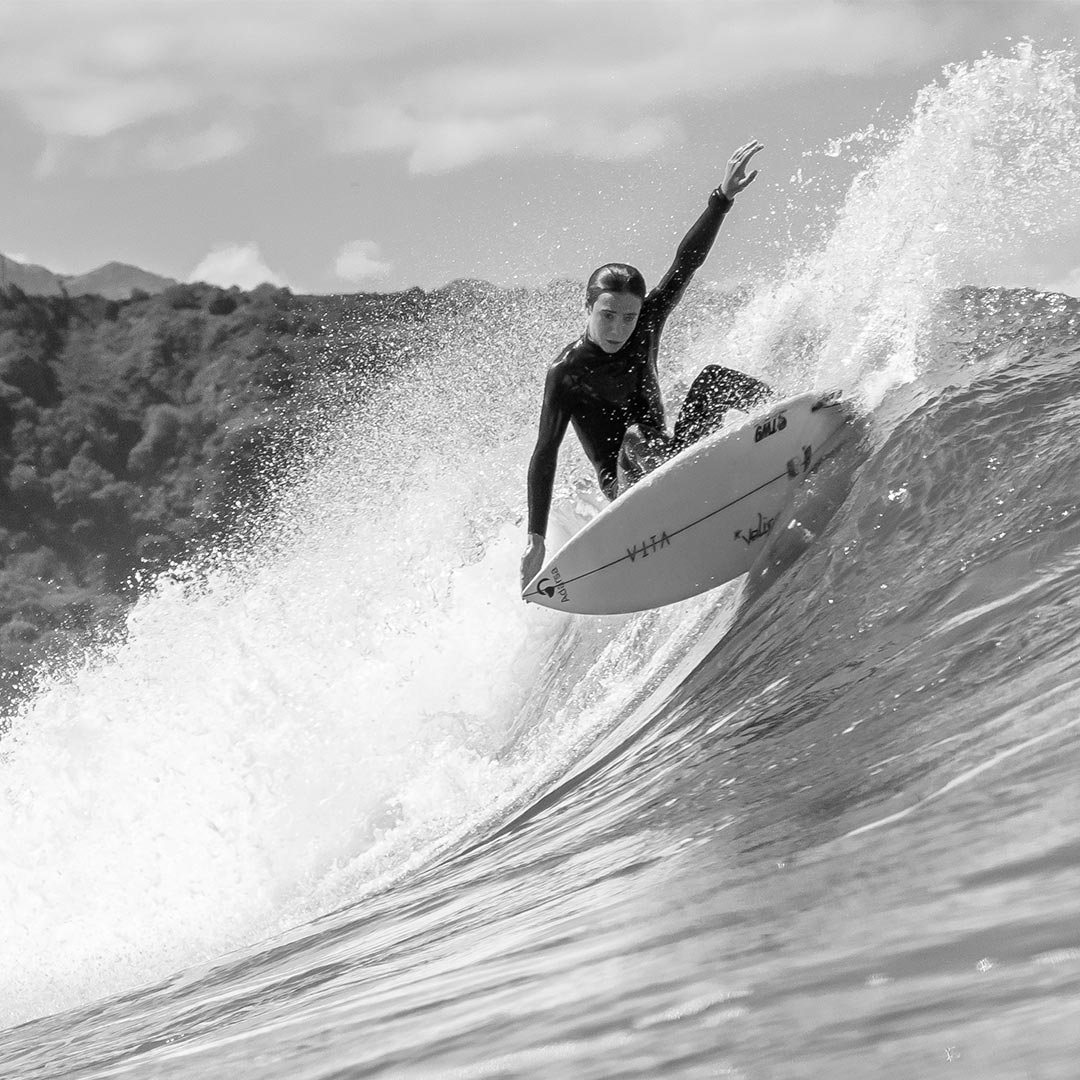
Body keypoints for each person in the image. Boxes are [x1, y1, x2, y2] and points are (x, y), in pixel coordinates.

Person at [521, 140, 772, 592]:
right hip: (627, 487)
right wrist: (535, 538)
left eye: (629, 317)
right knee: (637, 435)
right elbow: (545, 454)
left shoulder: (645, 325)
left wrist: (722, 199)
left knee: (714, 380)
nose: (619, 328)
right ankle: (680, 496)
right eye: (607, 316)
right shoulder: (567, 372)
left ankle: (791, 413)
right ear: (588, 308)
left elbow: (685, 265)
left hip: (674, 459)